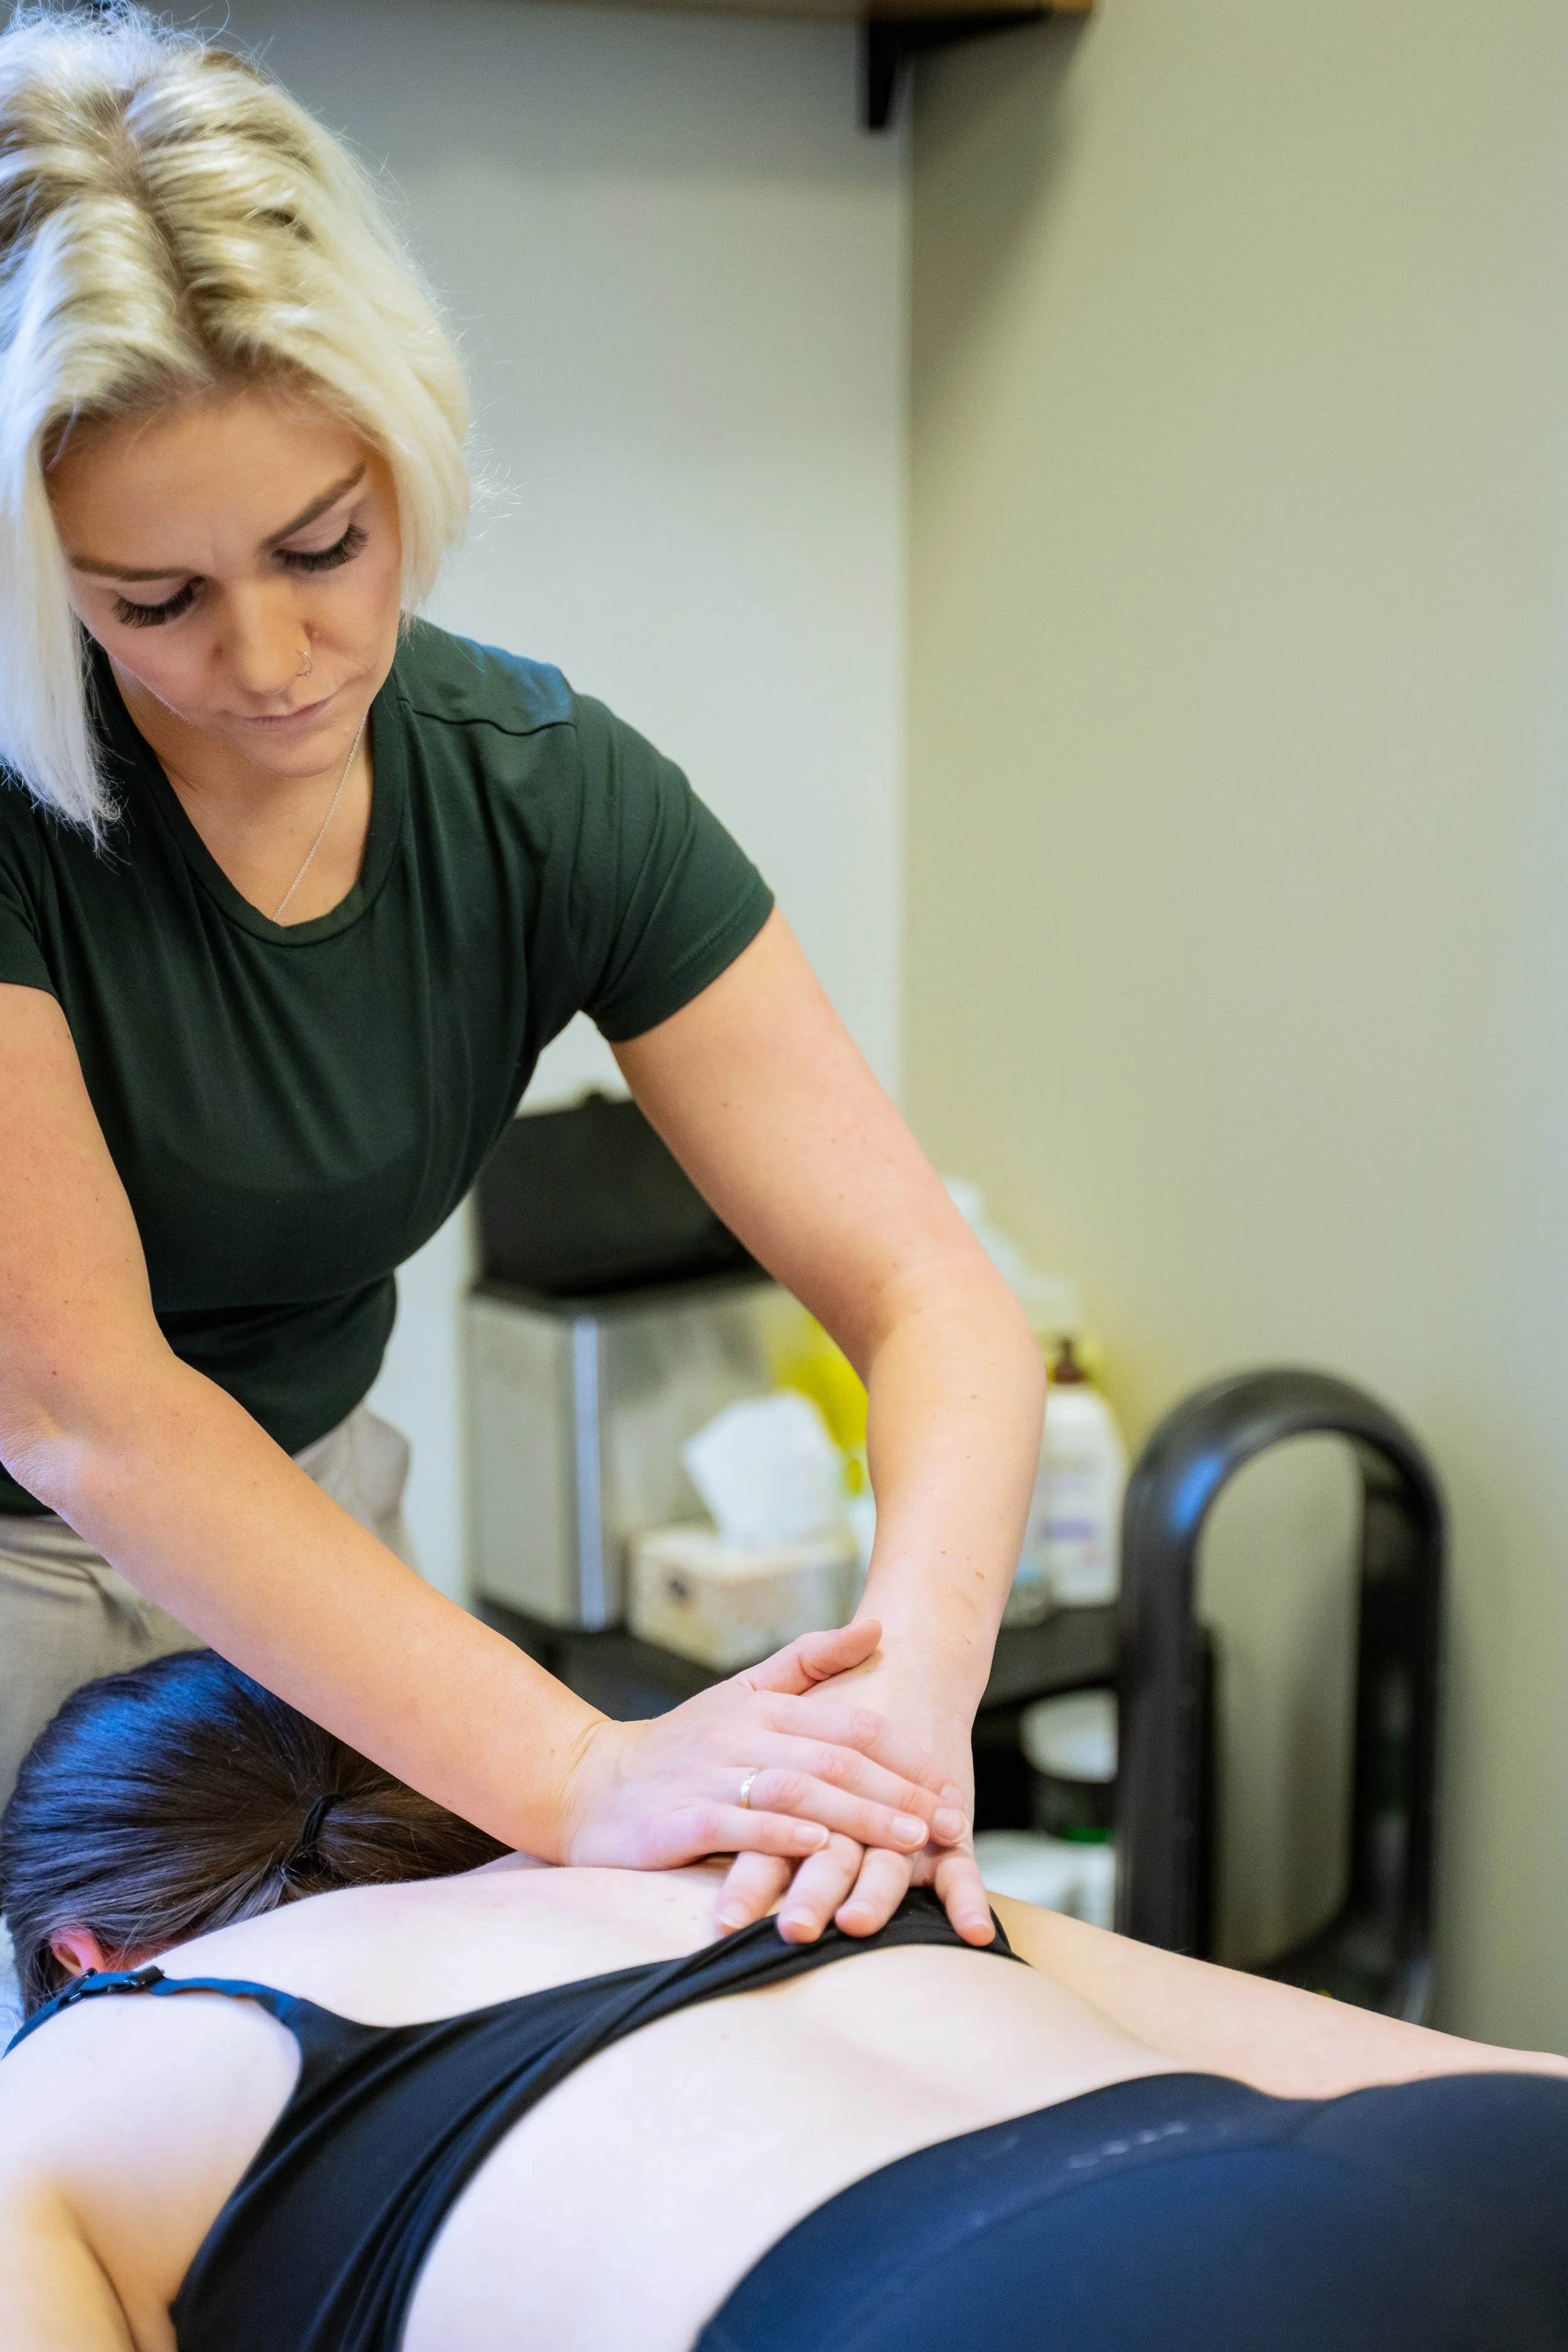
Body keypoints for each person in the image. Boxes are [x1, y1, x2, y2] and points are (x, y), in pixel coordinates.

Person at [0, 6, 1051, 1945]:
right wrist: (577, 1769)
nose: (274, 654)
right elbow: (84, 1413)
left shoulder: (545, 795)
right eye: (153, 599)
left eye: (327, 541)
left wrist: (905, 1705)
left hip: (312, 1577)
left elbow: (933, 1301)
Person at [3, 1653, 1567, 2352]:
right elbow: (1419, 2063)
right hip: (1455, 2174)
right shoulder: (771, 1872)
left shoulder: (98, 2061)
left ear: (74, 1951)